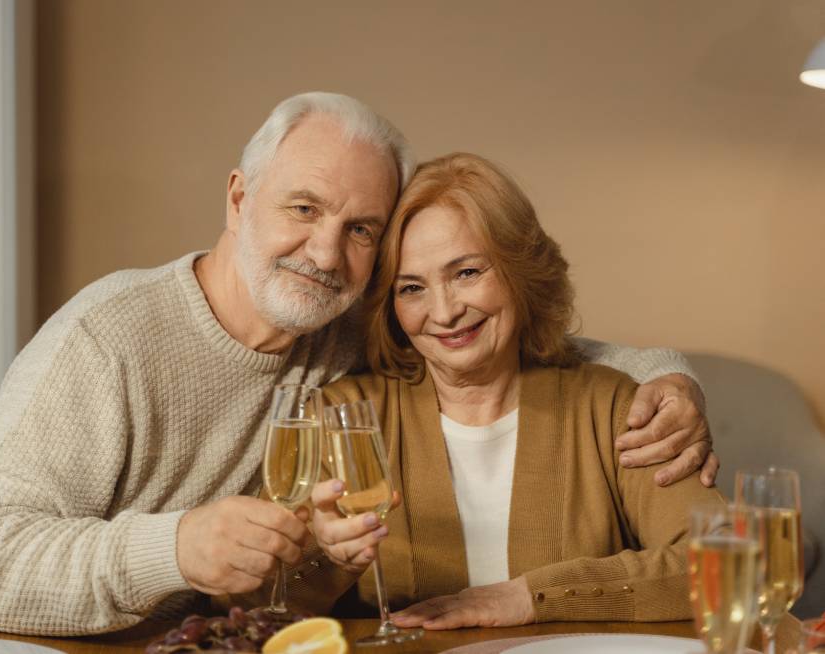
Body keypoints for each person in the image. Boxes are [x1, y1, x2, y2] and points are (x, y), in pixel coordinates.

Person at [0, 93, 714, 636]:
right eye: (303, 208)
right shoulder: (107, 339)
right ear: (236, 200)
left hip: (203, 644)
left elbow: (530, 350)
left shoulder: (341, 329)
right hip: (7, 640)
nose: (326, 252)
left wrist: (671, 377)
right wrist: (175, 549)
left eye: (362, 228)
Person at [303, 152, 723, 627]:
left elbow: (723, 565)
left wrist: (533, 597)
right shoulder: (341, 416)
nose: (443, 313)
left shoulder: (616, 408)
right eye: (411, 288)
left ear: (520, 271)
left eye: (466, 273)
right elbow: (257, 602)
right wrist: (327, 561)